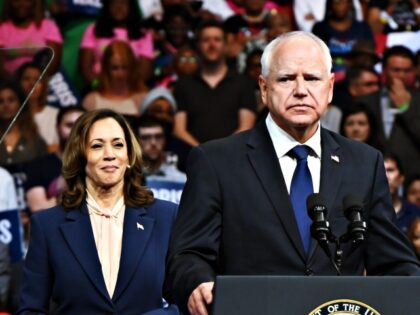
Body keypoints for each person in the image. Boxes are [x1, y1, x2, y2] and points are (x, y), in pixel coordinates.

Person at [164, 31, 420, 315]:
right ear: (263, 88)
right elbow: (187, 255)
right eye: (286, 79)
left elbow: (395, 263)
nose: (300, 90)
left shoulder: (364, 162)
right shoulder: (216, 162)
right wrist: (197, 283)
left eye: (312, 79)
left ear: (330, 87)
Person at [17, 109, 179, 314]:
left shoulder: (165, 217)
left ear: (128, 156)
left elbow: (185, 302)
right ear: (80, 157)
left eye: (118, 145)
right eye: (97, 146)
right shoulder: (47, 226)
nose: (109, 154)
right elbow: (30, 310)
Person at [173, 20, 257, 146]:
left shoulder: (243, 83)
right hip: (195, 159)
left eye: (217, 40)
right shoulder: (183, 84)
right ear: (198, 45)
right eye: (206, 40)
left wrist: (218, 155)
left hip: (234, 156)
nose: (212, 45)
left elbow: (246, 127)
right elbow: (179, 130)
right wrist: (203, 154)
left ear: (225, 45)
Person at [357, 45, 420, 179]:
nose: (401, 75)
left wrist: (405, 108)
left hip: (412, 177)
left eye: (407, 70)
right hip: (372, 175)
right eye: (396, 70)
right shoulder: (365, 101)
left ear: (414, 71)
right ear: (384, 71)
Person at [25, 106, 85, 213]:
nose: (76, 131)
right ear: (58, 127)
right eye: (69, 125)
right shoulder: (39, 165)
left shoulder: (100, 162)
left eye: (81, 126)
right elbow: (38, 208)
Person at [82, 40, 148, 118]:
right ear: (106, 69)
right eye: (115, 68)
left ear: (132, 68)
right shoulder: (91, 101)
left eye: (125, 67)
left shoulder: (144, 99)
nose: (120, 74)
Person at [0, 80, 47, 166]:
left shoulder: (36, 141)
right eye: (0, 101)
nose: (6, 105)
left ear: (20, 104)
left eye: (11, 100)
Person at [384, 153, 420, 233]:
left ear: (401, 178)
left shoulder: (416, 213)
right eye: (380, 170)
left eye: (390, 170)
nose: (385, 176)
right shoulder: (369, 213)